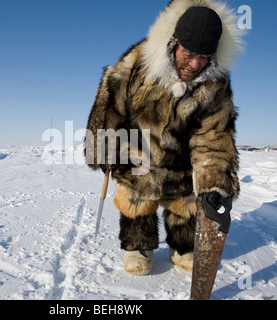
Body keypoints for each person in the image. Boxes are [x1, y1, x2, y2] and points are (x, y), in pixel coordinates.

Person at [85, 0, 245, 276]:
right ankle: (138, 246)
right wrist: (104, 147)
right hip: (137, 150)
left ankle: (183, 247)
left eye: (204, 57)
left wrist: (214, 182)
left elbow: (214, 135)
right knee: (136, 197)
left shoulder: (216, 83)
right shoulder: (140, 63)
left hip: (181, 157)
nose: (195, 64)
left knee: (187, 200)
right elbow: (111, 104)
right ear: (174, 43)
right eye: (189, 54)